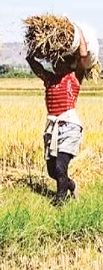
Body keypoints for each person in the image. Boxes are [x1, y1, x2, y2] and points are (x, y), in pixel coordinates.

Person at [26, 24, 94, 205]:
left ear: (67, 62)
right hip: (52, 128)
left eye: (60, 60)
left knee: (60, 166)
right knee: (52, 171)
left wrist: (77, 31)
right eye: (54, 61)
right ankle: (71, 185)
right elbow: (33, 63)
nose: (56, 64)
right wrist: (35, 45)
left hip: (69, 126)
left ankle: (60, 201)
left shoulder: (74, 77)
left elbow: (84, 55)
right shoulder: (48, 79)